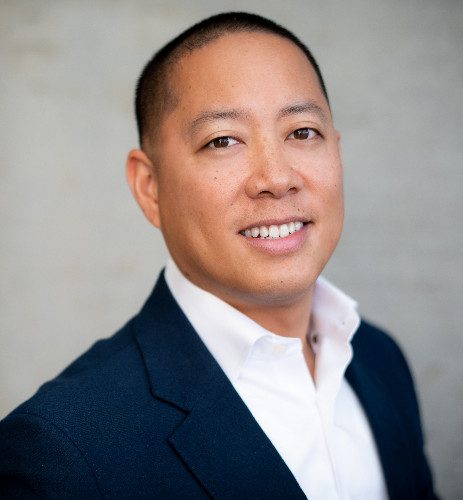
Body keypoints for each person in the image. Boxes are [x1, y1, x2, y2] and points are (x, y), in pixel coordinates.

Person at [0, 12, 438, 499]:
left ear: (336, 151)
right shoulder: (59, 452)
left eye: (302, 132)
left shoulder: (379, 359)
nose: (276, 178)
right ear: (150, 187)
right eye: (222, 140)